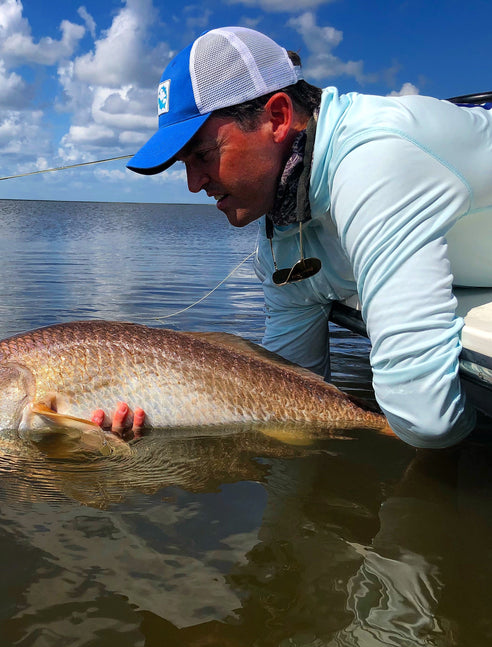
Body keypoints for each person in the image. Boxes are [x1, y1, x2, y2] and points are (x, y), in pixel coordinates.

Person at [94, 26, 492, 449]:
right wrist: (170, 412)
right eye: (183, 164)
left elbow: (426, 419)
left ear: (278, 117)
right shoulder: (280, 233)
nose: (194, 184)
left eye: (204, 155)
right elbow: (288, 390)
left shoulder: (375, 158)